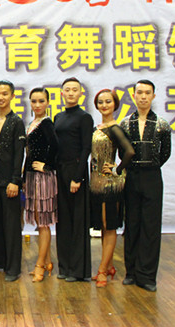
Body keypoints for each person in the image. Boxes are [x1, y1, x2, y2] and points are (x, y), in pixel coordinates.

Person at [120, 79, 172, 292]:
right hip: (131, 177)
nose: (143, 97)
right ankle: (131, 272)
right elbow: (122, 152)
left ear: (153, 96)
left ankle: (147, 275)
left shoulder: (162, 124)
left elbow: (165, 152)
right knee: (132, 224)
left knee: (150, 227)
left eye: (147, 93)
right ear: (134, 96)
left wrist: (151, 166)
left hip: (152, 177)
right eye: (139, 92)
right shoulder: (125, 123)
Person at [89, 89, 134, 288]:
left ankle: (102, 270)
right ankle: (108, 266)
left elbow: (130, 152)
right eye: (100, 102)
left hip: (110, 185)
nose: (104, 105)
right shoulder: (97, 127)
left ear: (115, 104)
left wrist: (117, 169)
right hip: (95, 183)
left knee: (110, 227)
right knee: (102, 226)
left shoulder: (116, 128)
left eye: (108, 101)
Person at [0, 80, 26, 282]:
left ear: (12, 96)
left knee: (11, 226)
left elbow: (19, 154)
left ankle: (13, 268)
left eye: (5, 93)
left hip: (9, 181)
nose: (1, 97)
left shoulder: (16, 122)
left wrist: (15, 180)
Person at [54, 77, 93, 282]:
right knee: (63, 221)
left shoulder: (84, 117)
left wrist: (77, 177)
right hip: (60, 171)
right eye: (67, 90)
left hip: (76, 171)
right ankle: (64, 266)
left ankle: (78, 270)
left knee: (77, 221)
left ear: (80, 93)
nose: (70, 93)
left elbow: (86, 148)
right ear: (62, 93)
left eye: (74, 90)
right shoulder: (58, 117)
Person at [24, 88, 58, 283]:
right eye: (34, 101)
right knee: (39, 220)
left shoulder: (46, 123)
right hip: (31, 176)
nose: (37, 105)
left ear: (47, 103)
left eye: (41, 101)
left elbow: (56, 146)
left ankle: (39, 265)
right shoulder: (33, 123)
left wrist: (47, 165)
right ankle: (47, 262)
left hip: (42, 178)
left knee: (43, 222)